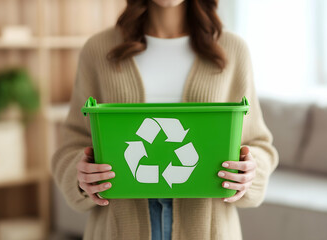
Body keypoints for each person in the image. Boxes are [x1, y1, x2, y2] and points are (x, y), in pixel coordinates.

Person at [51, 0, 279, 239]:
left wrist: (249, 172)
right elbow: (72, 143)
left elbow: (259, 144)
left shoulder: (233, 50)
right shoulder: (98, 50)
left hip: (208, 229)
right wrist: (82, 175)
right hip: (118, 228)